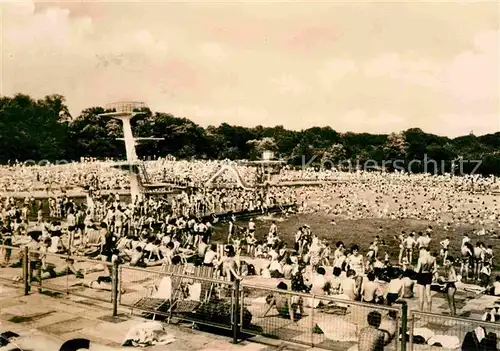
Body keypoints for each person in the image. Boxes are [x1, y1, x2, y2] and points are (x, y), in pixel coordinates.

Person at [415, 248, 437, 312]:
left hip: (421, 275)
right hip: (428, 275)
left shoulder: (420, 259)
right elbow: (435, 269)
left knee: (421, 295)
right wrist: (431, 273)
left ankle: (420, 310)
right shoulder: (433, 259)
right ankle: (429, 311)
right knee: (428, 294)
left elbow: (418, 270)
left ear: (424, 251)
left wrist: (414, 270)